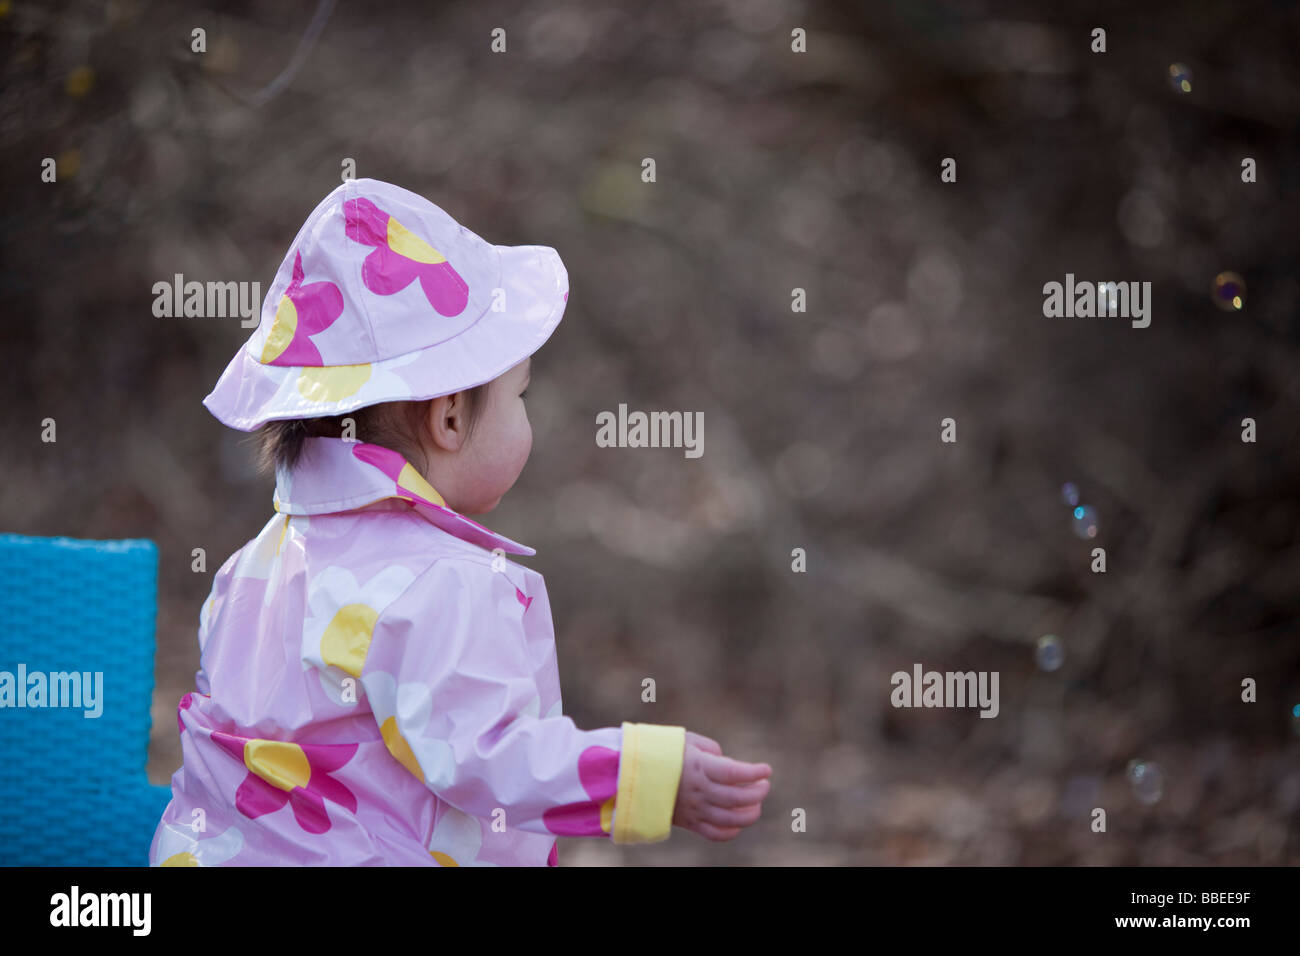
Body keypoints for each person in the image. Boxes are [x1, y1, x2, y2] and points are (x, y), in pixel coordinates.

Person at [149, 178, 771, 866]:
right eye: (519, 395)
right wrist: (644, 778)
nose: (526, 414)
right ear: (448, 418)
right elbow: (489, 756)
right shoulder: (438, 582)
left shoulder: (250, 568)